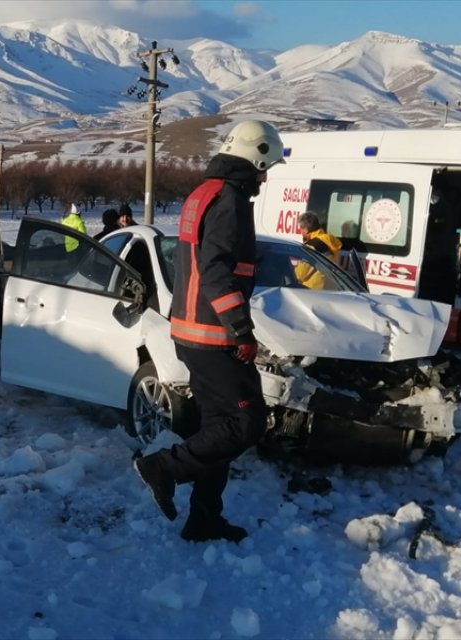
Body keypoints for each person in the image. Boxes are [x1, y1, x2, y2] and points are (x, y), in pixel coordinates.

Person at [132, 119, 284, 543]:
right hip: (213, 334)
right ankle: (162, 467)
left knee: (218, 427)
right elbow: (216, 270)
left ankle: (203, 519)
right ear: (256, 157)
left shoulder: (204, 192)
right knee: (246, 423)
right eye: (265, 166)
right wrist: (241, 329)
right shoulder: (230, 200)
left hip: (191, 330)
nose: (266, 176)